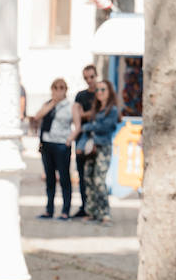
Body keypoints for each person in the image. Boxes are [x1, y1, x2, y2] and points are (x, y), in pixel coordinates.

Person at [78, 78, 120, 225]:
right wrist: (81, 145)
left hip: (103, 148)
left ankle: (105, 213)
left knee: (99, 180)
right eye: (98, 90)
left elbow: (105, 127)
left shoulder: (112, 110)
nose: (100, 92)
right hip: (91, 148)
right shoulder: (95, 109)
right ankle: (92, 212)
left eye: (103, 89)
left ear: (109, 92)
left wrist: (88, 126)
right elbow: (89, 131)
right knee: (88, 179)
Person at [33, 78, 75, 219]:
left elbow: (77, 124)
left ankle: (65, 211)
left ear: (66, 90)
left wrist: (69, 139)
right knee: (49, 178)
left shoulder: (70, 106)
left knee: (64, 178)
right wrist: (53, 103)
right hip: (47, 144)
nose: (58, 90)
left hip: (62, 145)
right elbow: (37, 116)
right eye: (55, 88)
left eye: (61, 87)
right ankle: (49, 210)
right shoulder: (48, 104)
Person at [72, 64, 98, 218]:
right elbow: (77, 115)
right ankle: (84, 207)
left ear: (96, 76)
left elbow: (102, 113)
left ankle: (95, 208)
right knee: (82, 175)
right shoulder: (80, 95)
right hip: (81, 139)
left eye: (91, 77)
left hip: (97, 140)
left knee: (95, 176)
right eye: (86, 78)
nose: (89, 80)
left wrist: (85, 114)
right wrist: (89, 114)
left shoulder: (102, 92)